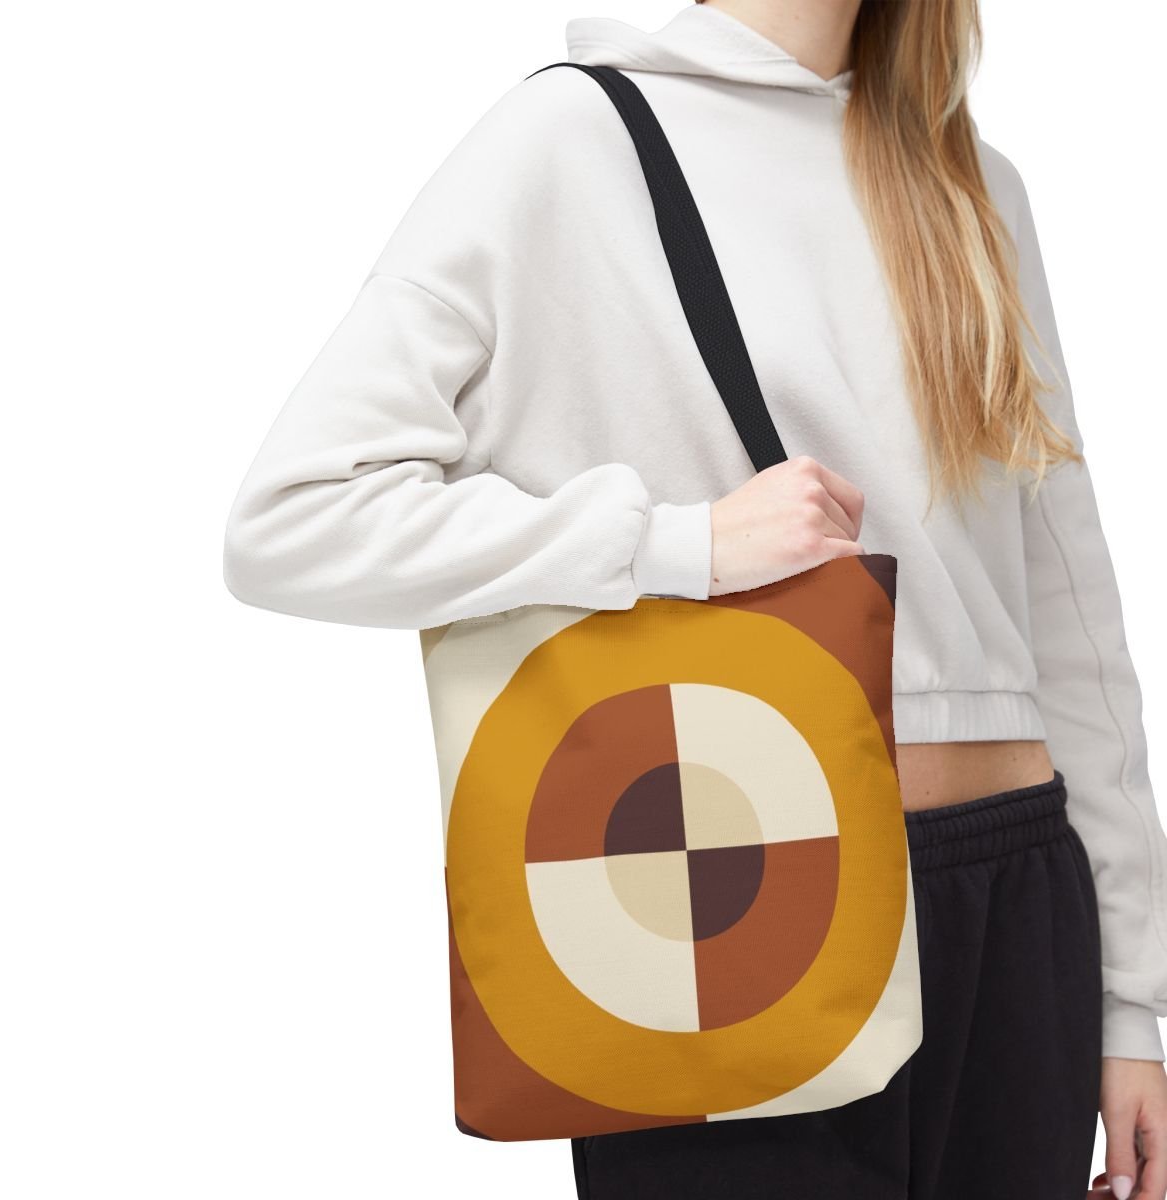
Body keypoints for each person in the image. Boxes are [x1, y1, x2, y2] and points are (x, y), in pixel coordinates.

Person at [222, 1, 1167, 1196]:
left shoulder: (971, 178)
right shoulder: (569, 144)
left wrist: (1129, 1002)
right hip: (729, 888)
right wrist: (675, 545)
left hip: (1022, 902)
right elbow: (293, 516)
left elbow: (1070, 606)